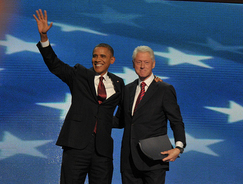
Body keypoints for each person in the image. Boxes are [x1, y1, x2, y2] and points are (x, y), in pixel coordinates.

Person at [33, 9, 124, 184]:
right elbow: (55, 65)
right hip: (76, 146)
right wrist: (44, 38)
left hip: (103, 151)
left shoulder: (119, 84)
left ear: (111, 60)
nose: (97, 59)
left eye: (102, 56)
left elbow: (125, 114)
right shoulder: (80, 75)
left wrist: (105, 121)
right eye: (95, 55)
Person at [114, 46, 186, 184]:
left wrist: (179, 147)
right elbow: (120, 121)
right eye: (138, 62)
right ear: (133, 64)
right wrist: (95, 116)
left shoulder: (165, 89)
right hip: (129, 162)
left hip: (154, 160)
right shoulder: (127, 90)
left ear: (153, 64)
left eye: (146, 62)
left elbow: (176, 121)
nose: (142, 66)